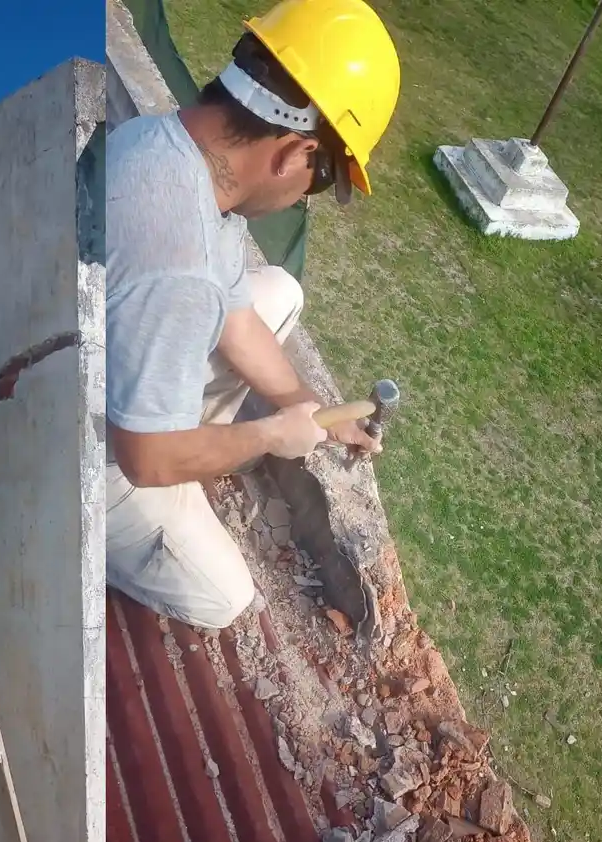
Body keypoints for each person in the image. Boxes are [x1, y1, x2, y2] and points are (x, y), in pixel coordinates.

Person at [105, 0, 401, 629]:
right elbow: (143, 458)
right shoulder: (180, 262)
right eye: (320, 180)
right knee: (225, 600)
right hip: (105, 453)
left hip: (123, 361)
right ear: (293, 152)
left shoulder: (162, 144)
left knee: (278, 292)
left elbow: (236, 314)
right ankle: (144, 511)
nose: (305, 196)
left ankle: (202, 445)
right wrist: (271, 435)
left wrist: (311, 404)